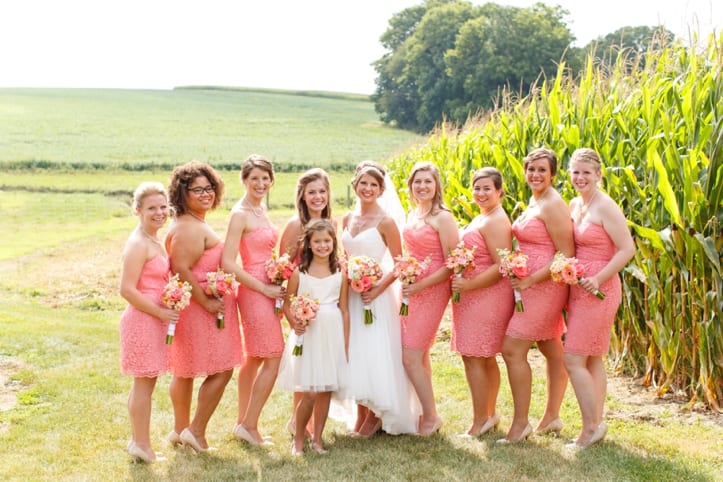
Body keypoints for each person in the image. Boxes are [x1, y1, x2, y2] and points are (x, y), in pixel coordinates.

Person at [165, 161, 243, 453]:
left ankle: (180, 430)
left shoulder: (193, 222)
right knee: (222, 369)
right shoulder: (188, 228)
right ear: (181, 193)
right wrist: (208, 302)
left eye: (209, 188)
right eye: (196, 189)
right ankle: (195, 431)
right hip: (201, 310)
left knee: (184, 371)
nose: (205, 194)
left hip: (197, 307)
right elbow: (182, 269)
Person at [498, 148, 574, 444]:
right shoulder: (535, 199)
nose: (535, 175)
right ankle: (552, 416)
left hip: (545, 286)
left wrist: (530, 279)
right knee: (551, 348)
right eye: (531, 169)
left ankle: (520, 425)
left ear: (552, 173)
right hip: (528, 284)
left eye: (542, 170)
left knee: (512, 349)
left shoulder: (553, 203)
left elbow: (566, 253)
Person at [340, 161, 420, 436]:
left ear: (381, 189)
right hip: (351, 294)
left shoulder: (386, 222)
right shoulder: (346, 219)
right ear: (355, 185)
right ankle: (362, 413)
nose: (368, 188)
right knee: (356, 353)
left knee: (373, 352)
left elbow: (400, 263)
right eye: (363, 183)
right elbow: (343, 258)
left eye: (374, 185)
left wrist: (376, 287)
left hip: (376, 296)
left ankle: (375, 416)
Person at [564, 148, 634, 449]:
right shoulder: (575, 204)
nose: (580, 178)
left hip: (600, 291)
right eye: (575, 172)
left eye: (586, 173)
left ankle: (590, 427)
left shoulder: (606, 206)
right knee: (592, 357)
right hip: (579, 290)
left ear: (598, 176)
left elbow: (626, 249)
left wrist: (598, 278)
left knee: (572, 358)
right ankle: (595, 423)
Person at [221, 155, 285, 446]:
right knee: (273, 355)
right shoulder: (240, 214)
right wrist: (263, 287)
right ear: (244, 180)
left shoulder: (261, 208)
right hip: (254, 290)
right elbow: (228, 262)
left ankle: (241, 422)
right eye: (254, 178)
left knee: (256, 358)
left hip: (269, 286)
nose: (261, 184)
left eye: (265, 178)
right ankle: (250, 424)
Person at [277, 219, 350, 456]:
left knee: (325, 389)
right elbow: (287, 303)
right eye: (317, 241)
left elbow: (345, 309)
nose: (322, 245)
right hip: (307, 333)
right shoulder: (300, 272)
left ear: (333, 242)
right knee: (308, 390)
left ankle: (318, 439)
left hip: (331, 332)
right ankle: (298, 439)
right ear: (308, 243)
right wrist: (294, 321)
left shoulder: (340, 272)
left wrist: (345, 343)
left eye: (327, 241)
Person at [450, 167, 514, 437]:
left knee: (475, 357)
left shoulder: (495, 220)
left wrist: (469, 284)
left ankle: (479, 421)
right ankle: (489, 414)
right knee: (484, 358)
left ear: (499, 191)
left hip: (485, 295)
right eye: (477, 188)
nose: (481, 193)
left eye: (487, 188)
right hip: (473, 296)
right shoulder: (484, 216)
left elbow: (503, 265)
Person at [119, 182, 178, 463]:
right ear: (138, 210)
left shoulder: (155, 239)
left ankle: (138, 442)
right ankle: (142, 445)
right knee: (143, 385)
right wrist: (161, 313)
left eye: (163, 207)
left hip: (154, 319)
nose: (159, 212)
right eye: (152, 208)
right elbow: (127, 290)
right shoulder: (138, 243)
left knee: (146, 383)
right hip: (143, 320)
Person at [400, 161, 459, 436]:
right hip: (412, 290)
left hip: (433, 290)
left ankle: (432, 416)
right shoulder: (413, 213)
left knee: (410, 355)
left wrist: (422, 283)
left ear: (437, 186)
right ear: (411, 185)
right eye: (417, 182)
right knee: (419, 354)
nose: (422, 186)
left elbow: (452, 263)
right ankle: (424, 412)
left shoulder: (443, 217)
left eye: (428, 182)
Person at [278, 167, 337, 437]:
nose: (317, 196)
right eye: (311, 192)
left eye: (322, 191)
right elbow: (284, 268)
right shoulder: (294, 226)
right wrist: (294, 314)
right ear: (302, 195)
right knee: (303, 369)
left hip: (329, 302)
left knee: (322, 366)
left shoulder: (332, 224)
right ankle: (298, 422)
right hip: (304, 304)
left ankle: (314, 425)